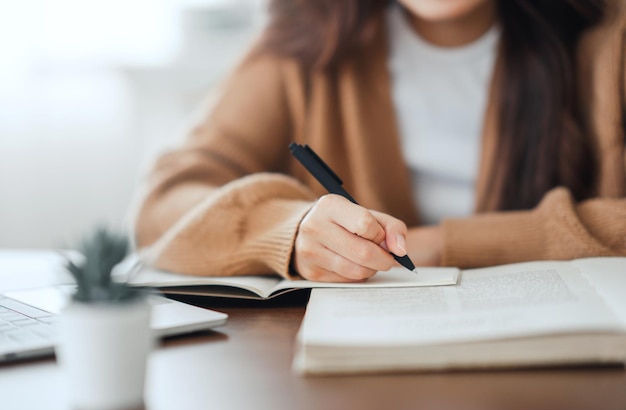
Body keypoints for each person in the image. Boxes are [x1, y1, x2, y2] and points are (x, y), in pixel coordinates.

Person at [133, 0, 626, 283]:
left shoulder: (606, 39)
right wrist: (290, 228)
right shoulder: (305, 41)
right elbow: (164, 202)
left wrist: (443, 246)